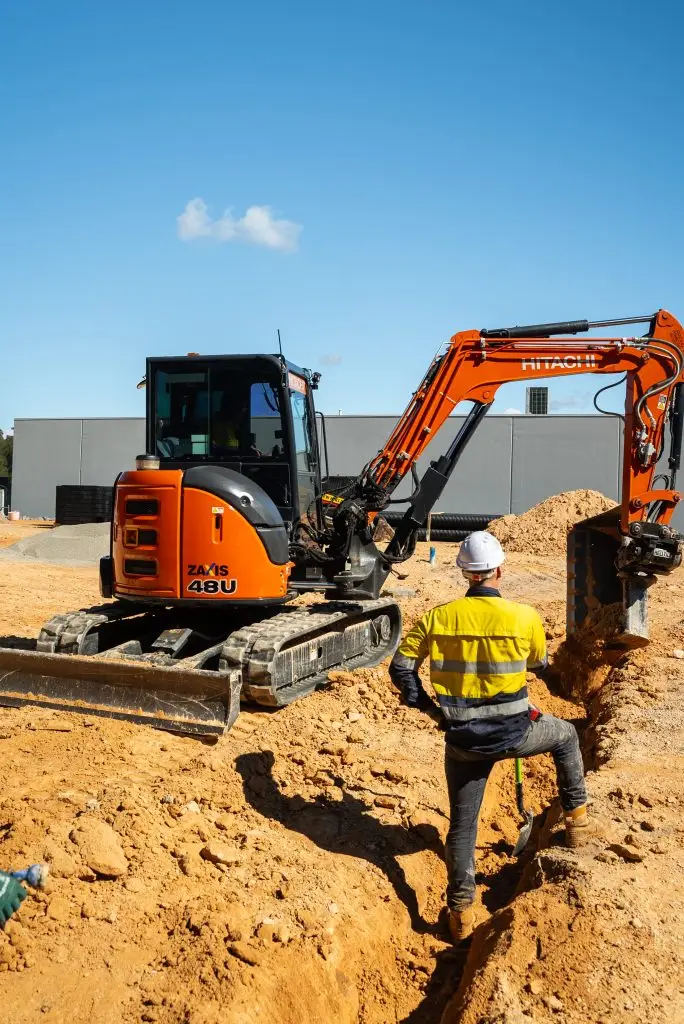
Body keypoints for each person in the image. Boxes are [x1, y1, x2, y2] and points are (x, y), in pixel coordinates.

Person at [389, 531, 594, 944]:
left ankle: (460, 913)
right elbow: (538, 664)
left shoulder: (437, 618)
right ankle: (577, 824)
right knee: (567, 735)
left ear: (465, 573)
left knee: (463, 826)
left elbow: (401, 669)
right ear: (499, 569)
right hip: (516, 733)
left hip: (463, 742)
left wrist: (432, 711)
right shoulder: (524, 617)